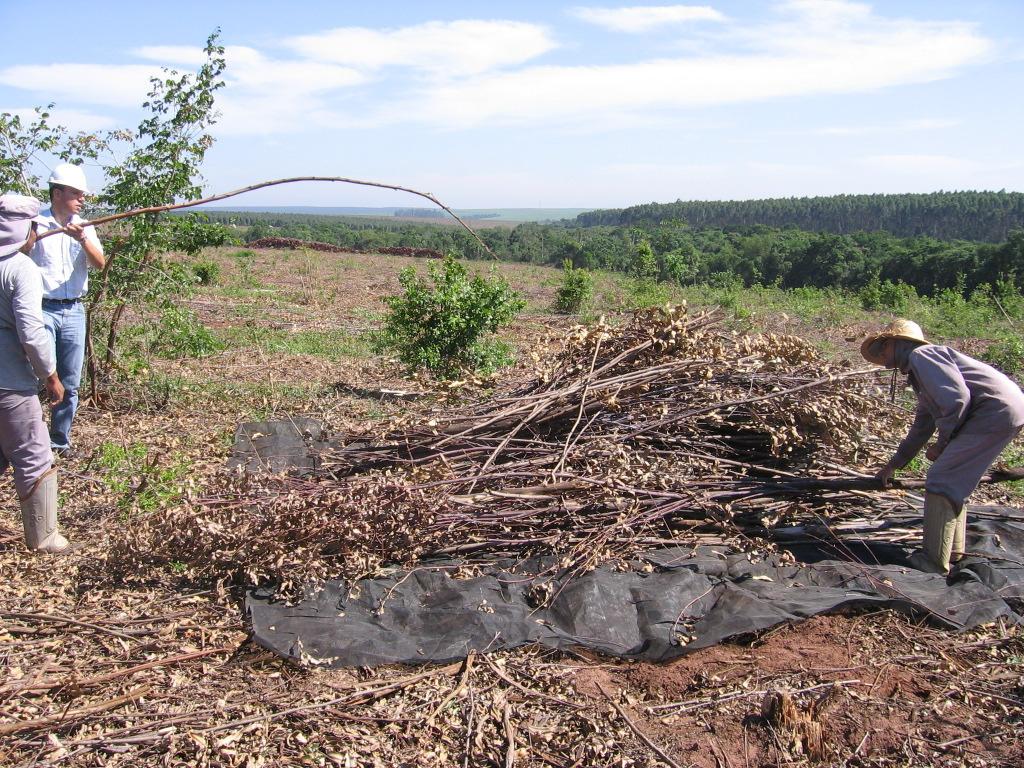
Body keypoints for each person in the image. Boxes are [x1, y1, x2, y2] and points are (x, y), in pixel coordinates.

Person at [861, 319, 1024, 573]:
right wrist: (892, 466)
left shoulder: (922, 356)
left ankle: (933, 560)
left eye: (884, 346)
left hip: (994, 411)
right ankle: (954, 551)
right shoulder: (922, 373)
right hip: (1005, 410)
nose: (881, 354)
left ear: (897, 343)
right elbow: (921, 428)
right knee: (954, 478)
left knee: (941, 477)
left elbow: (957, 400)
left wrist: (943, 443)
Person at [0, 193, 72, 553]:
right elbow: (31, 331)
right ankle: (44, 539)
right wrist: (51, 375)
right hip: (9, 383)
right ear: (26, 229)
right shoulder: (20, 268)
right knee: (33, 452)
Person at [28, 163, 104, 455]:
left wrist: (81, 238)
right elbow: (19, 258)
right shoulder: (35, 223)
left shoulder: (85, 226)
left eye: (83, 194)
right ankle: (31, 441)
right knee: (40, 375)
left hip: (73, 310)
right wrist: (31, 239)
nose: (82, 199)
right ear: (57, 193)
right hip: (41, 308)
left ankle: (59, 440)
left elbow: (99, 263)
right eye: (76, 193)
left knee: (70, 380)